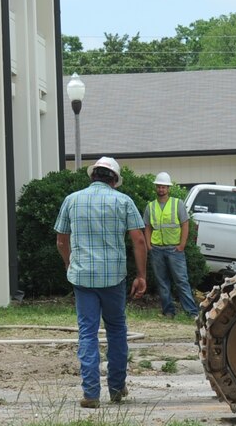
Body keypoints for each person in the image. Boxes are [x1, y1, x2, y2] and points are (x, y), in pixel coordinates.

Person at [54, 156, 148, 408]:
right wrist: (141, 275)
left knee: (87, 332)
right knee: (117, 330)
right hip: (113, 278)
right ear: (114, 180)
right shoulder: (123, 201)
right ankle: (116, 388)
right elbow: (139, 240)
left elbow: (61, 241)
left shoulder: (72, 200)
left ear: (93, 176)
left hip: (82, 276)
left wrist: (69, 264)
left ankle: (91, 393)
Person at [143, 172, 197, 319]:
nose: (161, 189)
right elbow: (147, 227)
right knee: (162, 282)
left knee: (181, 281)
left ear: (168, 188)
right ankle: (168, 311)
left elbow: (185, 224)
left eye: (163, 187)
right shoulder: (150, 206)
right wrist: (149, 245)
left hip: (174, 249)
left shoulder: (177, 203)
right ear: (156, 187)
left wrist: (182, 245)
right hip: (156, 249)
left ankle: (192, 312)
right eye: (159, 186)